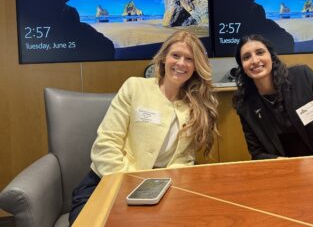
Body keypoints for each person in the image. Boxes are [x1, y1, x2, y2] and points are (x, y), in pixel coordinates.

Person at [69, 30, 218, 224]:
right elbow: (105, 145)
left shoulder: (195, 106)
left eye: (189, 59)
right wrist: (133, 183)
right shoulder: (135, 87)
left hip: (160, 189)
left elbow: (184, 159)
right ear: (164, 58)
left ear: (196, 66)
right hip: (107, 183)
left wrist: (160, 186)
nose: (181, 63)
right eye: (176, 55)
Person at [233, 34, 313, 160]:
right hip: (287, 171)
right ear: (242, 67)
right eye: (246, 57)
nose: (255, 60)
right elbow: (257, 153)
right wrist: (285, 165)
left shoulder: (303, 77)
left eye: (260, 52)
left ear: (271, 56)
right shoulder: (245, 105)